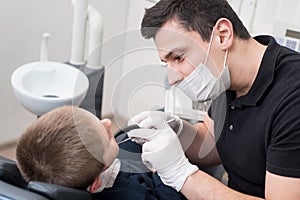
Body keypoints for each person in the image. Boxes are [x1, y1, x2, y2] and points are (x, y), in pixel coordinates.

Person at [127, 0, 300, 199]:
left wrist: (182, 175)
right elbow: (213, 141)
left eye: (179, 57)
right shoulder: (224, 75)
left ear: (222, 34)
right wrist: (178, 131)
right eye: (167, 62)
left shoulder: (293, 99)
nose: (172, 78)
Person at [16, 105, 185, 200]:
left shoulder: (90, 169)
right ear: (96, 183)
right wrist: (164, 172)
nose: (107, 122)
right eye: (108, 136)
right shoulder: (134, 196)